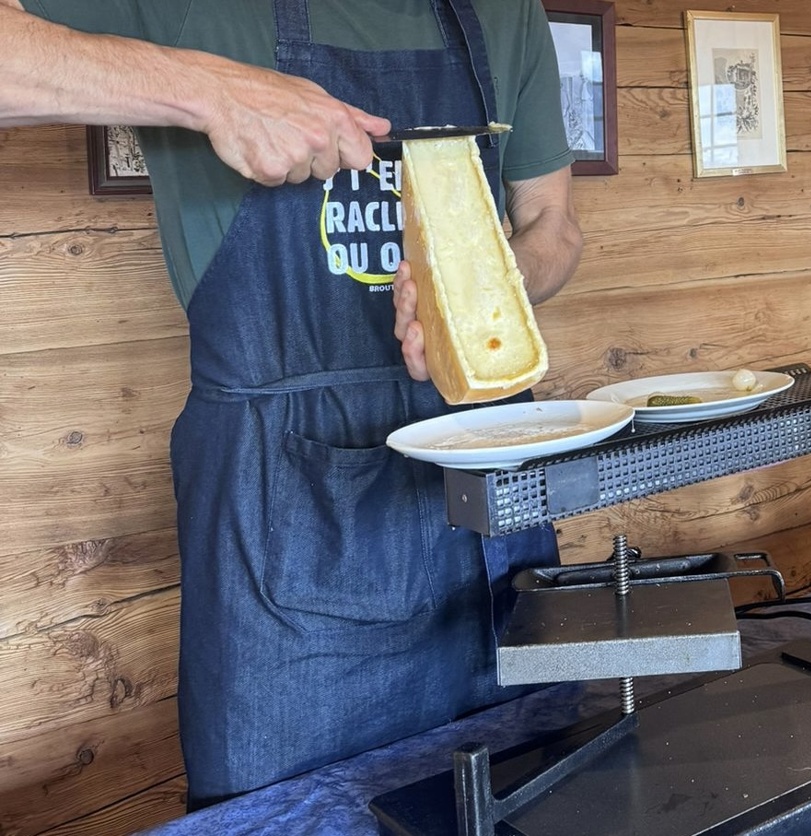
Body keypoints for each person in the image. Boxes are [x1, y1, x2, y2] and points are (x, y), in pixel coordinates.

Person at [0, 0, 583, 812]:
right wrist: (205, 90)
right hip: (285, 534)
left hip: (492, 508)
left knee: (536, 798)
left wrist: (485, 294)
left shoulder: (505, 11)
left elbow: (552, 224)